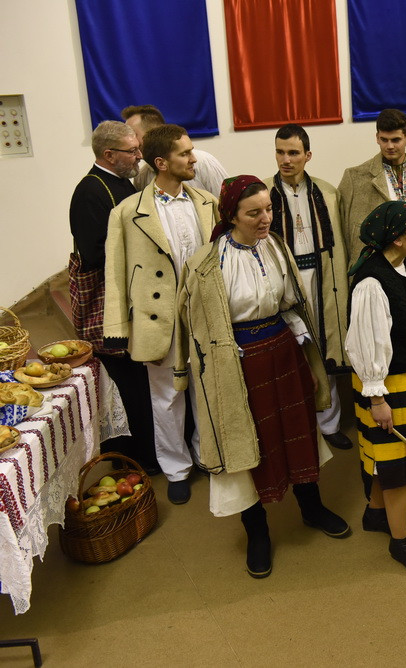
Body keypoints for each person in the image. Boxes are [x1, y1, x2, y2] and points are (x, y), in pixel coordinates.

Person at [174, 175, 350, 579]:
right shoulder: (206, 264)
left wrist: (301, 344)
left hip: (283, 352)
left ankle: (311, 507)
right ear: (231, 215)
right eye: (254, 213)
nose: (265, 218)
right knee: (247, 443)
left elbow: (290, 302)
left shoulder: (276, 247)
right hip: (238, 366)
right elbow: (198, 327)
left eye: (268, 209)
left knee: (298, 431)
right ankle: (257, 532)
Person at [104, 124, 218, 504]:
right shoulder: (126, 213)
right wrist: (118, 328)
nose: (193, 159)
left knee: (206, 389)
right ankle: (176, 468)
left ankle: (207, 456)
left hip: (203, 314)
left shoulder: (207, 202)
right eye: (185, 153)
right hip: (158, 318)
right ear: (161, 163)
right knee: (167, 396)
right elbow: (115, 276)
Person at [345, 201, 406, 574]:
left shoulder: (405, 265)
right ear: (397, 238)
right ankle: (400, 542)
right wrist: (377, 398)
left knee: (387, 455)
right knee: (398, 462)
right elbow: (367, 344)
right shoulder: (372, 283)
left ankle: (375, 513)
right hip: (385, 385)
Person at [69, 121, 156, 472]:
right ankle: (131, 458)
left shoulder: (120, 182)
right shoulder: (90, 192)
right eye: (132, 151)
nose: (139, 156)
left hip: (130, 297)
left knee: (139, 382)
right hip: (109, 306)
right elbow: (93, 254)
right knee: (125, 386)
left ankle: (147, 454)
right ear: (109, 154)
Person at [264, 124, 353, 450]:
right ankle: (297, 426)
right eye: (280, 152)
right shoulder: (263, 193)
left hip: (321, 277)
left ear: (308, 155)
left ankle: (329, 424)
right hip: (283, 282)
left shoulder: (327, 192)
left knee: (323, 347)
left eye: (293, 153)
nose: (285, 159)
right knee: (290, 352)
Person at [339, 109, 406, 264]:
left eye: (396, 140)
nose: (389, 146)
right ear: (377, 138)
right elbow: (342, 232)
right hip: (376, 264)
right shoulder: (354, 177)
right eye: (384, 140)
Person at [122, 104, 228, 197]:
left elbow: (229, 202)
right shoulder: (141, 177)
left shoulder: (202, 162)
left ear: (152, 132)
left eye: (133, 135)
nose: (129, 141)